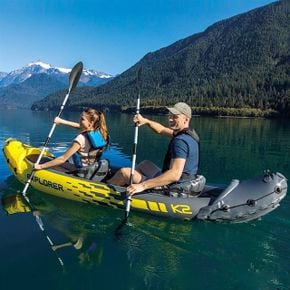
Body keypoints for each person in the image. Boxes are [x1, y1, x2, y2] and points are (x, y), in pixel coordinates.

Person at [108, 102, 204, 195]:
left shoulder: (180, 142)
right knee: (144, 164)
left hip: (173, 187)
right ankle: (130, 186)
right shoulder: (188, 134)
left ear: (186, 119)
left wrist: (143, 185)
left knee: (125, 173)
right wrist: (146, 121)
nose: (170, 119)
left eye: (175, 117)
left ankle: (106, 188)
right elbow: (161, 130)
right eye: (170, 115)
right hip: (185, 181)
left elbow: (174, 174)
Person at [34, 108, 109, 178]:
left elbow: (62, 159)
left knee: (49, 162)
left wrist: (40, 166)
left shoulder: (81, 138)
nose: (79, 120)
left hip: (81, 173)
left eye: (82, 119)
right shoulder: (101, 134)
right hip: (91, 169)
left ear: (91, 122)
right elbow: (80, 126)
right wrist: (61, 121)